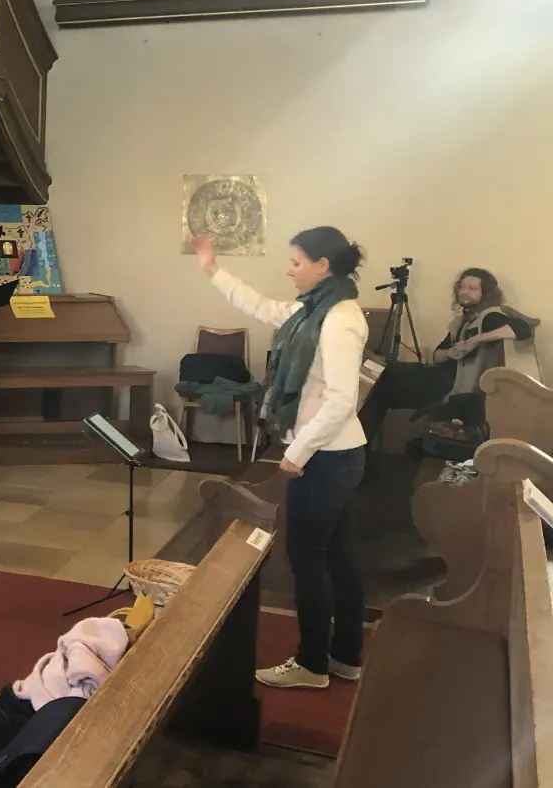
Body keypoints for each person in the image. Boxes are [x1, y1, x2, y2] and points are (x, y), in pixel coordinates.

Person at [193, 228, 368, 690]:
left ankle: (312, 664)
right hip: (331, 452)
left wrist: (297, 450)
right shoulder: (311, 310)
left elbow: (341, 400)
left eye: (296, 262)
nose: (289, 270)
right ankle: (345, 656)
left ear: (323, 265)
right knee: (336, 556)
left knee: (308, 559)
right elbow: (260, 306)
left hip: (327, 456)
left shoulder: (339, 319)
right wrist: (212, 268)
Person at [357, 268, 536, 442]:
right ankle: (360, 448)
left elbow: (523, 329)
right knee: (383, 374)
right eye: (462, 287)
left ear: (486, 293)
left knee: (381, 383)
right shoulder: (462, 321)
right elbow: (436, 356)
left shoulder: (490, 317)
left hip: (454, 386)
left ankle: (357, 449)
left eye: (472, 288)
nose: (464, 292)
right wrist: (450, 353)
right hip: (440, 374)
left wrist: (476, 340)